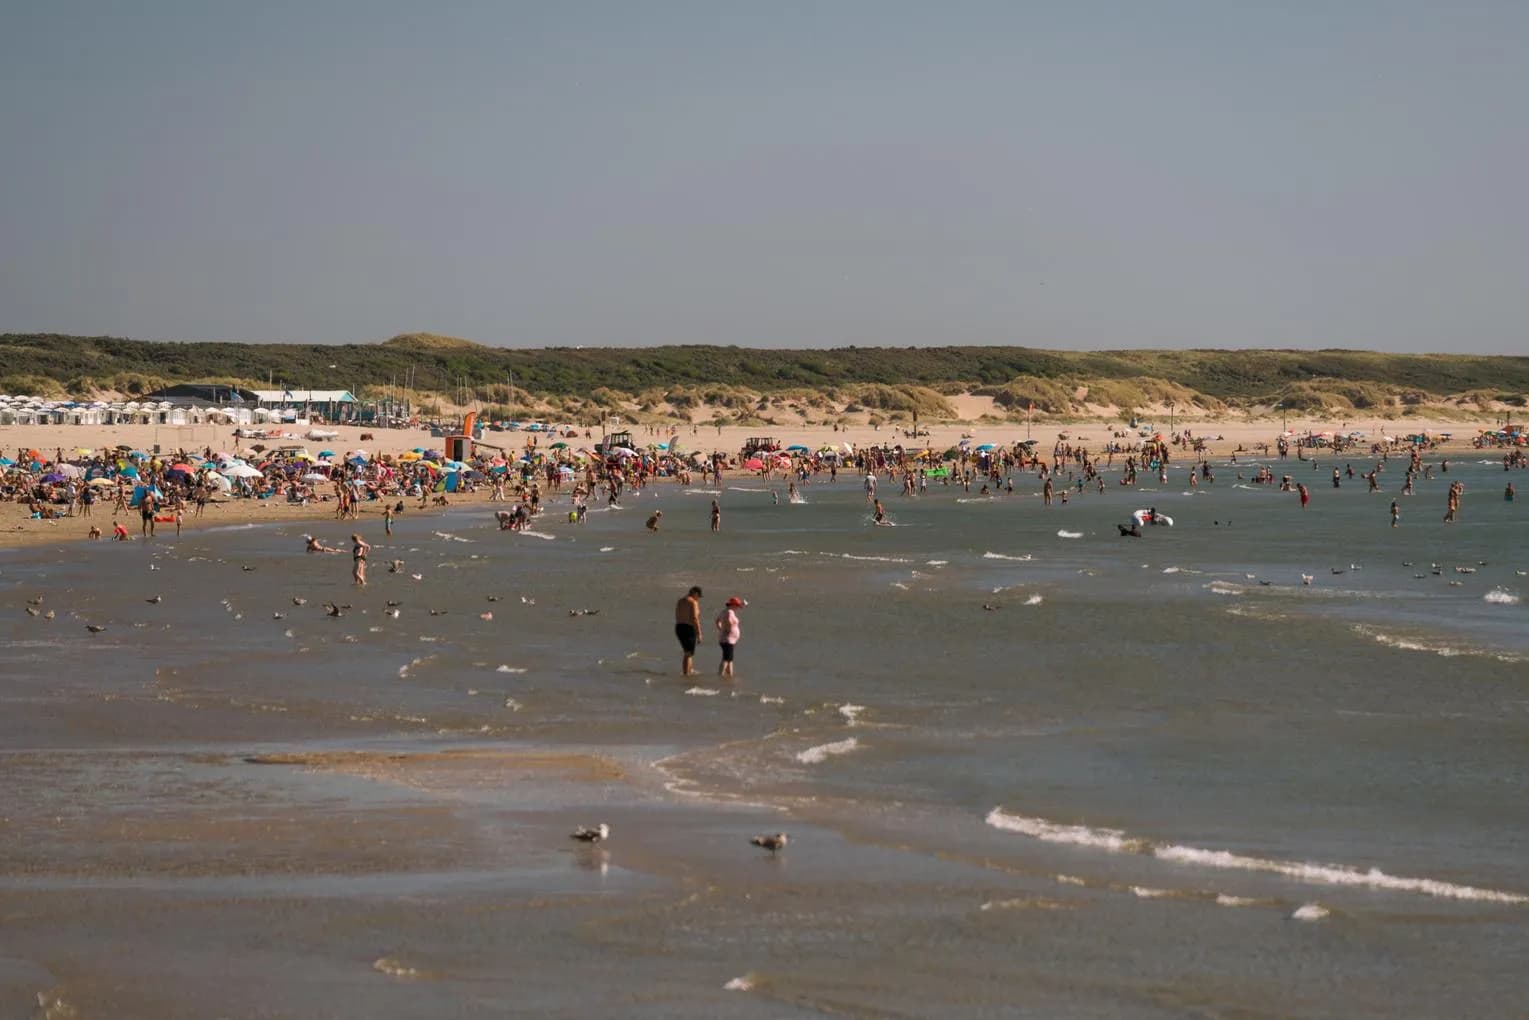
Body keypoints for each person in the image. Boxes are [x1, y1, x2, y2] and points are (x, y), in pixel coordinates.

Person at [675, 586, 703, 676]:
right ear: (695, 593)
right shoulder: (693, 602)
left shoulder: (680, 601)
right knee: (688, 653)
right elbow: (695, 618)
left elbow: (677, 614)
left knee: (688, 652)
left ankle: (689, 671)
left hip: (679, 627)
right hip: (689, 628)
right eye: (698, 596)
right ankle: (686, 674)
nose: (698, 598)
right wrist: (699, 633)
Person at [715, 597, 744, 677]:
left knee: (729, 659)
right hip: (728, 640)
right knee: (726, 659)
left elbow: (717, 621)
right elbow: (729, 621)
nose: (738, 607)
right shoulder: (729, 612)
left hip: (727, 639)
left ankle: (729, 676)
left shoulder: (724, 611)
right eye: (737, 605)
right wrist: (729, 630)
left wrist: (721, 629)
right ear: (733, 605)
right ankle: (720, 675)